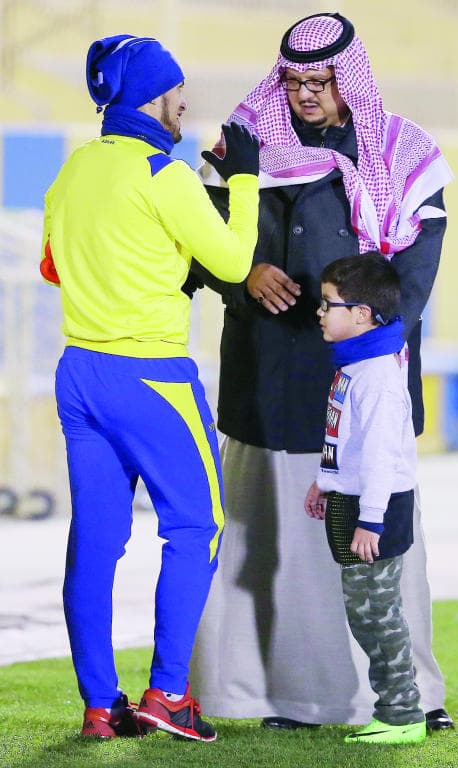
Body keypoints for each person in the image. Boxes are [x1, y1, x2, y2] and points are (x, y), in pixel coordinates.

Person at [188, 12, 455, 730]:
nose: (306, 95)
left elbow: (416, 271)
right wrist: (242, 273)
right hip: (269, 373)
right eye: (295, 81)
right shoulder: (242, 143)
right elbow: (195, 239)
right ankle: (269, 694)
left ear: (350, 80)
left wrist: (361, 332)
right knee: (269, 539)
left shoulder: (401, 151)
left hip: (363, 379)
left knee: (375, 537)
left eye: (321, 81)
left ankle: (401, 696)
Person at [41, 34, 260, 741]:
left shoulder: (73, 170)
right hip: (152, 374)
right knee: (198, 526)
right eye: (176, 92)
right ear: (153, 98)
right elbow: (230, 260)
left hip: (80, 373)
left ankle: (100, 705)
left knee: (95, 544)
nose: (184, 102)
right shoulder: (166, 175)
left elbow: (53, 268)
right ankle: (168, 695)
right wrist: (244, 182)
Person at [303, 253, 426, 744]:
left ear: (362, 314)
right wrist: (324, 481)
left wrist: (370, 519)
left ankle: (403, 715)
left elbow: (379, 456)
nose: (320, 312)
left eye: (329, 303)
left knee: (378, 613)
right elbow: (346, 441)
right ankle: (395, 709)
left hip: (375, 508)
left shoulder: (376, 375)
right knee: (364, 612)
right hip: (353, 500)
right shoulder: (355, 364)